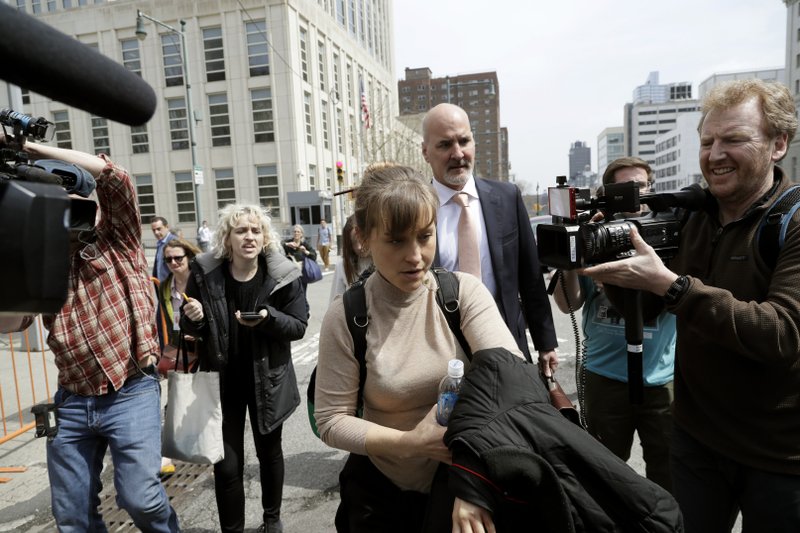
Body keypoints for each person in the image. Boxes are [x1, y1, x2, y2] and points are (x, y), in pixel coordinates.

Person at [580, 79, 800, 532]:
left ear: (779, 144)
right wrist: (615, 257)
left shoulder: (792, 221)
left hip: (779, 456)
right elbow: (644, 304)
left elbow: (781, 333)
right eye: (707, 141)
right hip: (697, 440)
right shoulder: (693, 216)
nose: (715, 154)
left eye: (734, 139)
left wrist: (672, 285)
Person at [314, 163, 524, 532]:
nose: (415, 256)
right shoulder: (345, 316)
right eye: (396, 240)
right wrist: (410, 443)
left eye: (425, 236)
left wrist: (471, 479)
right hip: (380, 497)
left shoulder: (463, 294)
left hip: (466, 488)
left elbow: (513, 382)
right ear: (363, 238)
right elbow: (331, 420)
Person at [0, 140, 179, 531]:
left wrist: (26, 148)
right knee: (71, 515)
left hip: (131, 390)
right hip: (73, 398)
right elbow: (13, 323)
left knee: (141, 499)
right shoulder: (39, 256)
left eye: (69, 200)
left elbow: (117, 178)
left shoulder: (119, 238)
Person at [180, 204, 307, 533]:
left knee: (269, 453)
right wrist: (192, 319)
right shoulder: (205, 275)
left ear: (265, 237)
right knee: (226, 467)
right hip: (222, 384)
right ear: (227, 238)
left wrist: (268, 318)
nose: (249, 236)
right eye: (241, 231)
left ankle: (271, 519)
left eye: (255, 230)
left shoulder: (283, 275)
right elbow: (192, 329)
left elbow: (298, 326)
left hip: (269, 380)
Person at [552, 157, 675, 492]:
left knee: (669, 476)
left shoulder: (671, 232)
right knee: (603, 478)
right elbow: (568, 305)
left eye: (639, 188)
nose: (632, 197)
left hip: (661, 380)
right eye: (623, 190)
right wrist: (574, 257)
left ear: (651, 190)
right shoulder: (596, 236)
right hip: (603, 377)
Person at [421, 103, 558, 373]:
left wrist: (546, 344)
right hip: (441, 353)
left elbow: (531, 279)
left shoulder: (507, 197)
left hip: (507, 343)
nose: (457, 153)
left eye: (464, 141)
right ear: (425, 152)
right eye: (445, 144)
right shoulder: (416, 208)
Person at [329, 214, 373, 302]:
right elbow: (335, 302)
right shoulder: (343, 265)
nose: (359, 247)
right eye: (353, 242)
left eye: (362, 239)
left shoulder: (383, 260)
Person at [151, 215, 177, 282]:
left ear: (167, 227)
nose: (156, 232)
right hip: (163, 286)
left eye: (159, 229)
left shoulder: (174, 242)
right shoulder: (160, 242)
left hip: (172, 286)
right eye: (154, 230)